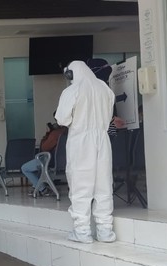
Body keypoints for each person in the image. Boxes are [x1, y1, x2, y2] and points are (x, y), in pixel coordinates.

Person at [55, 60, 117, 243]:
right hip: (102, 140)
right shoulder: (105, 89)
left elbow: (62, 119)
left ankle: (82, 232)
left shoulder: (72, 90)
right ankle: (105, 231)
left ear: (70, 74)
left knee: (80, 186)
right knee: (103, 186)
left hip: (80, 140)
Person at [20, 114, 66, 196]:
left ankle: (43, 189)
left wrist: (47, 135)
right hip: (65, 163)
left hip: (50, 162)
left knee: (25, 168)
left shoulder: (55, 134)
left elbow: (44, 147)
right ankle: (36, 187)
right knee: (39, 166)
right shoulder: (69, 132)